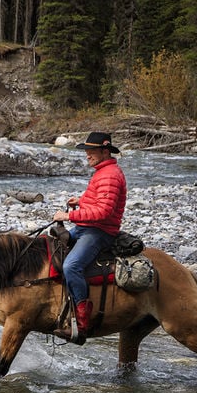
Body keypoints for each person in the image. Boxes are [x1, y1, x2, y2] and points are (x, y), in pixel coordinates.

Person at [52, 132, 127, 344]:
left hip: (99, 232)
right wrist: (82, 200)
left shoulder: (110, 175)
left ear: (105, 151)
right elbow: (97, 199)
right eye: (86, 151)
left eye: (91, 151)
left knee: (71, 266)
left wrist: (68, 215)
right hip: (88, 228)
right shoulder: (102, 172)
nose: (87, 155)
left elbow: (103, 212)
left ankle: (82, 323)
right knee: (50, 247)